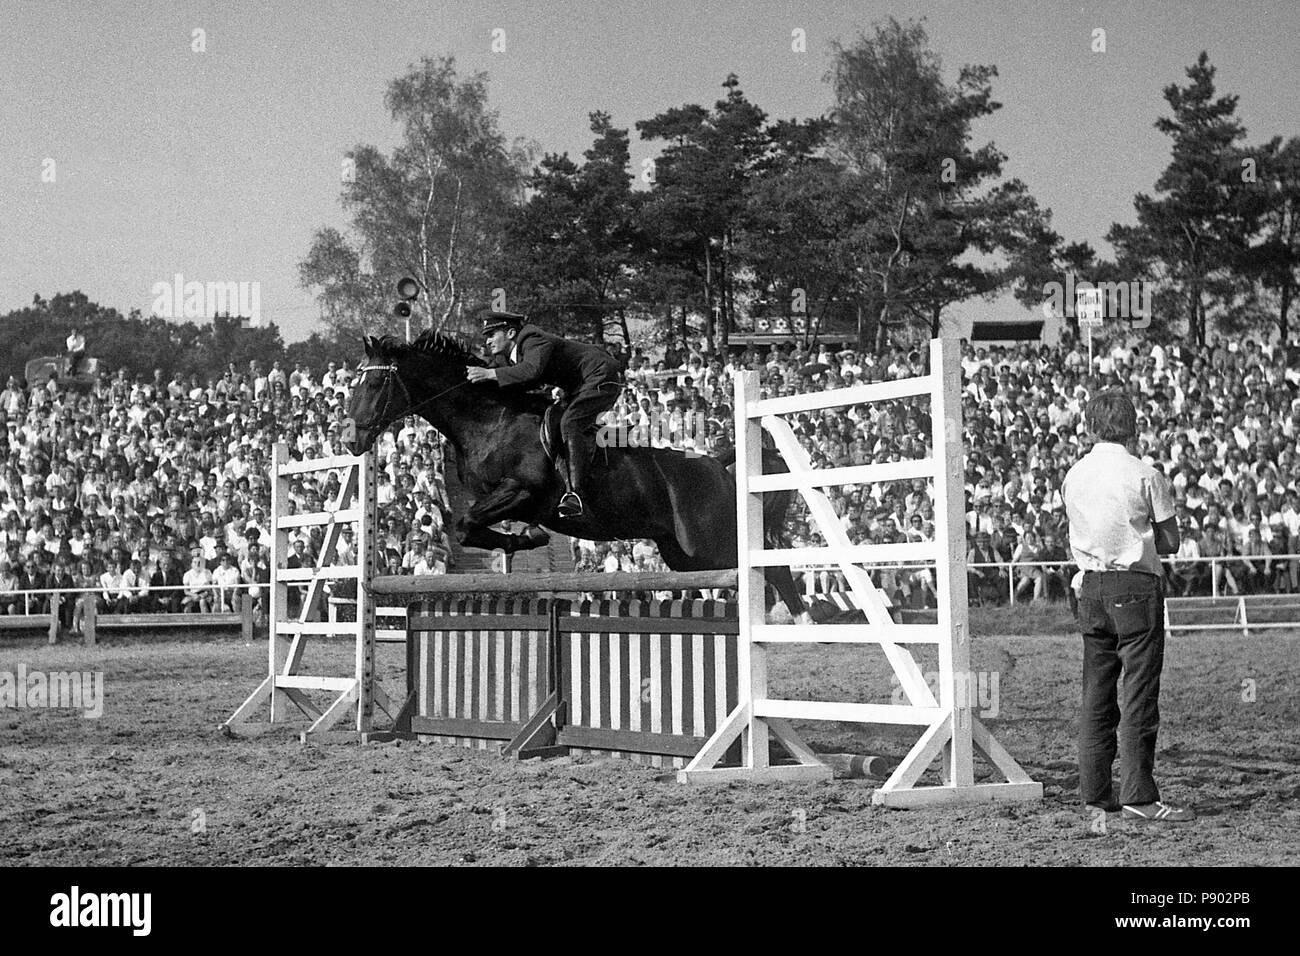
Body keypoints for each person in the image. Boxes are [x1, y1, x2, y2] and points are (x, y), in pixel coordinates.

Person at [1062, 389, 1193, 823]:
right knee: (1138, 695)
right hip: (1135, 585)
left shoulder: (1074, 475)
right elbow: (1170, 542)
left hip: (1091, 586)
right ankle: (1140, 795)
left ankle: (1096, 794)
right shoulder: (1146, 474)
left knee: (1096, 695)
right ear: (1133, 427)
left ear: (1091, 427)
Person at [468, 310, 623, 518]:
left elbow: (530, 371)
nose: (487, 342)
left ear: (511, 332)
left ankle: (577, 494)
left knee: (570, 423)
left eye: (491, 335)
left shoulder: (533, 339)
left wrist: (490, 374)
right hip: (581, 383)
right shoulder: (511, 355)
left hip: (601, 375)